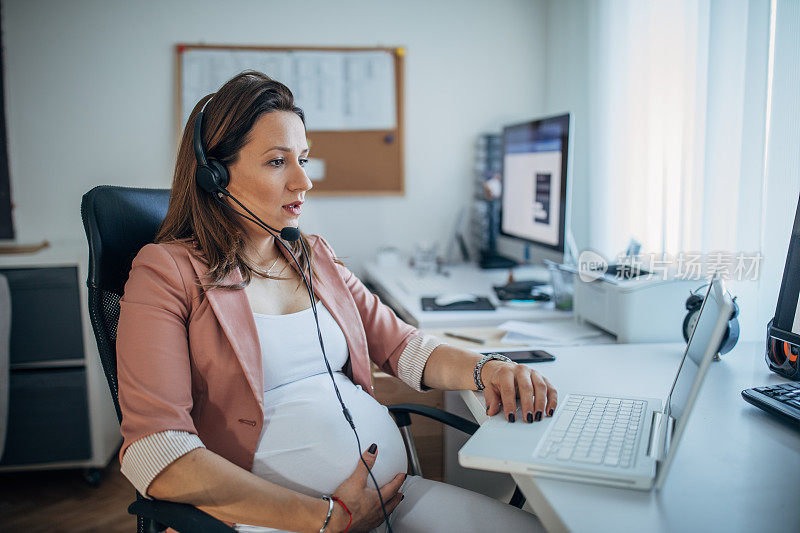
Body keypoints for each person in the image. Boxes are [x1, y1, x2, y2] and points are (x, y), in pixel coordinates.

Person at [116, 70, 557, 533]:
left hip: (389, 499)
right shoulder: (167, 272)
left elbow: (403, 347)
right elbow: (157, 452)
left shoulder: (313, 256)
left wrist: (487, 368)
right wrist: (326, 518)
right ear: (214, 175)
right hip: (272, 520)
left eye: (303, 159)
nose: (303, 181)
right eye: (276, 162)